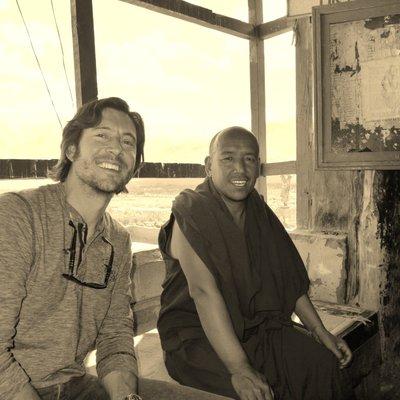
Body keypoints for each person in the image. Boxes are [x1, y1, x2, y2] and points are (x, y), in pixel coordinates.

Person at [0, 97, 232, 400]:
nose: (116, 148)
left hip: (74, 385)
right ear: (71, 149)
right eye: (102, 135)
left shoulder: (117, 240)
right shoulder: (19, 216)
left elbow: (114, 335)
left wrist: (127, 398)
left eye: (128, 142)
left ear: (133, 165)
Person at [157, 126, 355, 400]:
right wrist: (239, 368)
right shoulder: (192, 212)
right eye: (227, 158)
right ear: (208, 165)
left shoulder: (258, 210)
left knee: (320, 364)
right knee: (254, 393)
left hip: (255, 329)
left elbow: (286, 279)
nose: (240, 168)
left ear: (258, 167)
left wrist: (320, 332)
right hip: (197, 337)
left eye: (249, 159)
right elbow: (203, 293)